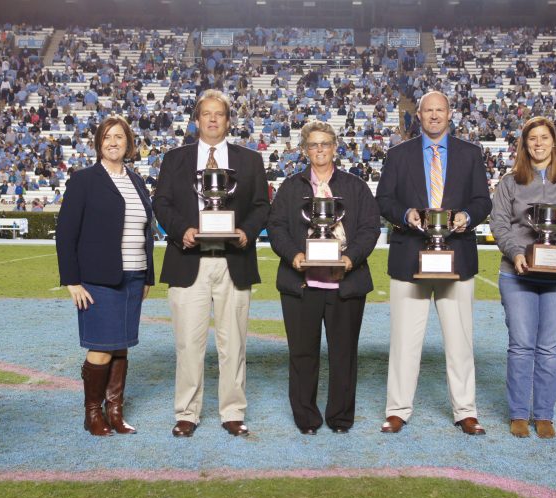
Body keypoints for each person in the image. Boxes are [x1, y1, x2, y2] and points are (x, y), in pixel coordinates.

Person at [154, 90, 270, 438]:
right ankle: (187, 413)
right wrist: (182, 231)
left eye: (219, 113)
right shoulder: (175, 159)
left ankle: (232, 411)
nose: (213, 119)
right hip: (189, 260)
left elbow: (262, 206)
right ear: (197, 120)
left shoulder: (250, 160)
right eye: (206, 113)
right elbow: (161, 203)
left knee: (233, 344)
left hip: (234, 261)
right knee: (189, 344)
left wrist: (247, 232)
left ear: (228, 120)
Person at [376, 90, 492, 435]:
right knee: (404, 341)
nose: (435, 115)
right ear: (419, 115)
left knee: (460, 341)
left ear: (450, 113)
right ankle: (397, 410)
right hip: (409, 258)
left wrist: (467, 216)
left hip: (457, 257)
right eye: (428, 110)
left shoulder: (470, 153)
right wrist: (405, 214)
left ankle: (465, 410)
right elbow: (384, 199)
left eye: (440, 109)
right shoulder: (398, 155)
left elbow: (482, 201)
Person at [268, 121, 380, 435]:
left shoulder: (355, 186)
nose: (320, 150)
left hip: (345, 284)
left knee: (344, 355)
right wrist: (293, 255)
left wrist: (350, 258)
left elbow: (370, 227)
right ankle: (306, 418)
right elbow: (275, 226)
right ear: (305, 150)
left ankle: (340, 417)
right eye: (314, 144)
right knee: (302, 354)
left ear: (335, 147)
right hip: (301, 285)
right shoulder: (291, 187)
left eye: (325, 144)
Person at [490, 116, 556, 439]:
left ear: (553, 142)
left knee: (549, 348)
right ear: (525, 144)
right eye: (532, 138)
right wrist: (515, 252)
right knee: (521, 346)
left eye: (544, 138)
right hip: (517, 274)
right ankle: (519, 413)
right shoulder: (510, 182)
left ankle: (544, 414)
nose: (538, 143)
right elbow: (499, 223)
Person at [55, 115, 155, 437]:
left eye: (119, 137)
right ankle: (92, 413)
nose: (113, 142)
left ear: (129, 143)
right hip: (99, 279)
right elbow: (65, 233)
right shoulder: (84, 180)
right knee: (101, 348)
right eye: (107, 137)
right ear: (99, 143)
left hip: (134, 276)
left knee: (121, 346)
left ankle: (115, 412)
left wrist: (148, 276)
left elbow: (146, 232)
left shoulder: (137, 181)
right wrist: (72, 281)